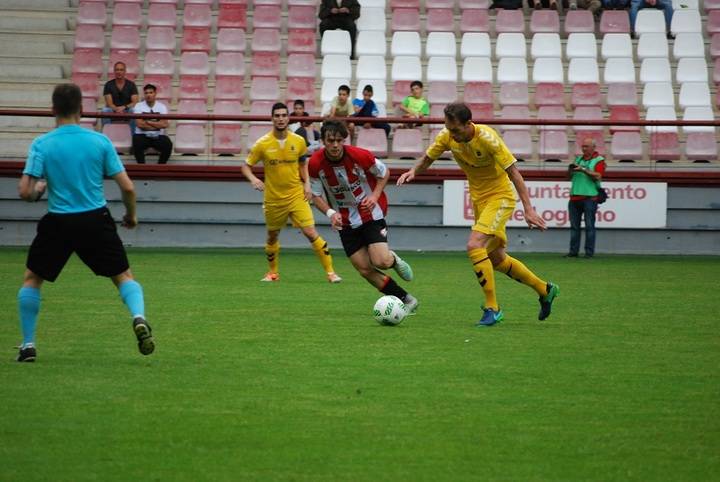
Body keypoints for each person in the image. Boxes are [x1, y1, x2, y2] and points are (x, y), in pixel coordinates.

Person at [16, 83, 154, 362]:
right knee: (123, 276)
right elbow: (127, 187)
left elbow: (25, 192)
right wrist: (131, 215)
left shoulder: (42, 144)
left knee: (32, 280)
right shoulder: (99, 141)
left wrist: (39, 191)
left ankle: (28, 344)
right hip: (95, 219)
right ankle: (139, 317)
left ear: (53, 110)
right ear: (81, 109)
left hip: (58, 222)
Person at [397, 102, 559, 327]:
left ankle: (492, 308)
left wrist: (528, 209)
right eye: (448, 128)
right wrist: (413, 171)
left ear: (468, 124)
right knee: (497, 259)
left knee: (474, 245)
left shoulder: (488, 138)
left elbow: (514, 173)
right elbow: (427, 159)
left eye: (455, 130)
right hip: (479, 201)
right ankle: (545, 289)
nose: (451, 134)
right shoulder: (447, 136)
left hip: (500, 197)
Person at [308, 120, 417, 313]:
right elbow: (315, 195)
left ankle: (393, 260)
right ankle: (406, 300)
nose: (334, 145)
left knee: (380, 261)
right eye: (330, 140)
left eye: (339, 140)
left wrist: (374, 196)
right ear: (323, 141)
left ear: (344, 140)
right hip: (345, 221)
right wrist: (330, 213)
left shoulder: (360, 155)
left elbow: (384, 172)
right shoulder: (315, 163)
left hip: (370, 214)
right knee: (364, 269)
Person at [240, 102, 342, 283]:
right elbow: (246, 167)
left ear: (288, 118)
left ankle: (331, 273)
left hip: (297, 195)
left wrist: (307, 185)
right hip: (273, 198)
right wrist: (254, 179)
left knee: (311, 232)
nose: (280, 119)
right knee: (272, 236)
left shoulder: (298, 141)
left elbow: (304, 164)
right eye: (277, 116)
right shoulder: (262, 144)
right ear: (272, 118)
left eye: (283, 115)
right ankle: (272, 273)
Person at [566, 138, 606, 259]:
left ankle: (589, 253)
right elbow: (569, 177)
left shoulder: (599, 161)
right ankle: (573, 252)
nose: (584, 149)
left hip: (590, 197)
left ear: (593, 147)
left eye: (586, 146)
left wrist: (583, 169)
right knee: (574, 227)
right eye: (583, 146)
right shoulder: (578, 159)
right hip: (574, 197)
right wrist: (570, 170)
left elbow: (598, 176)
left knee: (589, 226)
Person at [132, 84, 173, 164]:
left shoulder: (162, 107)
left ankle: (160, 167)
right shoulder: (138, 106)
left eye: (151, 92)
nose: (148, 95)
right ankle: (142, 168)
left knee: (168, 144)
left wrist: (148, 122)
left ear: (155, 94)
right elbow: (140, 125)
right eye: (146, 93)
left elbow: (165, 124)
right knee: (136, 141)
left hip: (158, 136)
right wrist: (157, 125)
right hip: (142, 136)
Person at [101, 61, 139, 134]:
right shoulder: (108, 84)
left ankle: (133, 136)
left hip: (127, 110)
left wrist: (124, 107)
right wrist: (117, 109)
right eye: (117, 70)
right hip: (113, 110)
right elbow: (109, 103)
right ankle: (107, 135)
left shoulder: (131, 85)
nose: (119, 72)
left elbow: (135, 102)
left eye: (121, 70)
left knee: (134, 110)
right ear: (114, 71)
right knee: (105, 110)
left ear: (125, 71)